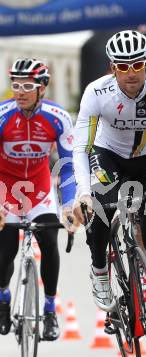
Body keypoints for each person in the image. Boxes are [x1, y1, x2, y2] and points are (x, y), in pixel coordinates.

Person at [73, 30, 146, 357]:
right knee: (99, 210)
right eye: (122, 67)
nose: (131, 73)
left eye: (137, 65)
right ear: (112, 67)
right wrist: (83, 192)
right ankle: (100, 270)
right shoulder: (97, 92)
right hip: (107, 155)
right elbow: (81, 147)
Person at [0, 58, 77, 340]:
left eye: (27, 86)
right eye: (15, 85)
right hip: (4, 188)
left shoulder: (58, 118)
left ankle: (48, 309)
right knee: (5, 251)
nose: (19, 92)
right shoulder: (3, 114)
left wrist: (69, 204)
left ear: (42, 88)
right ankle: (4, 298)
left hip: (39, 188)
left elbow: (69, 165)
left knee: (49, 239)